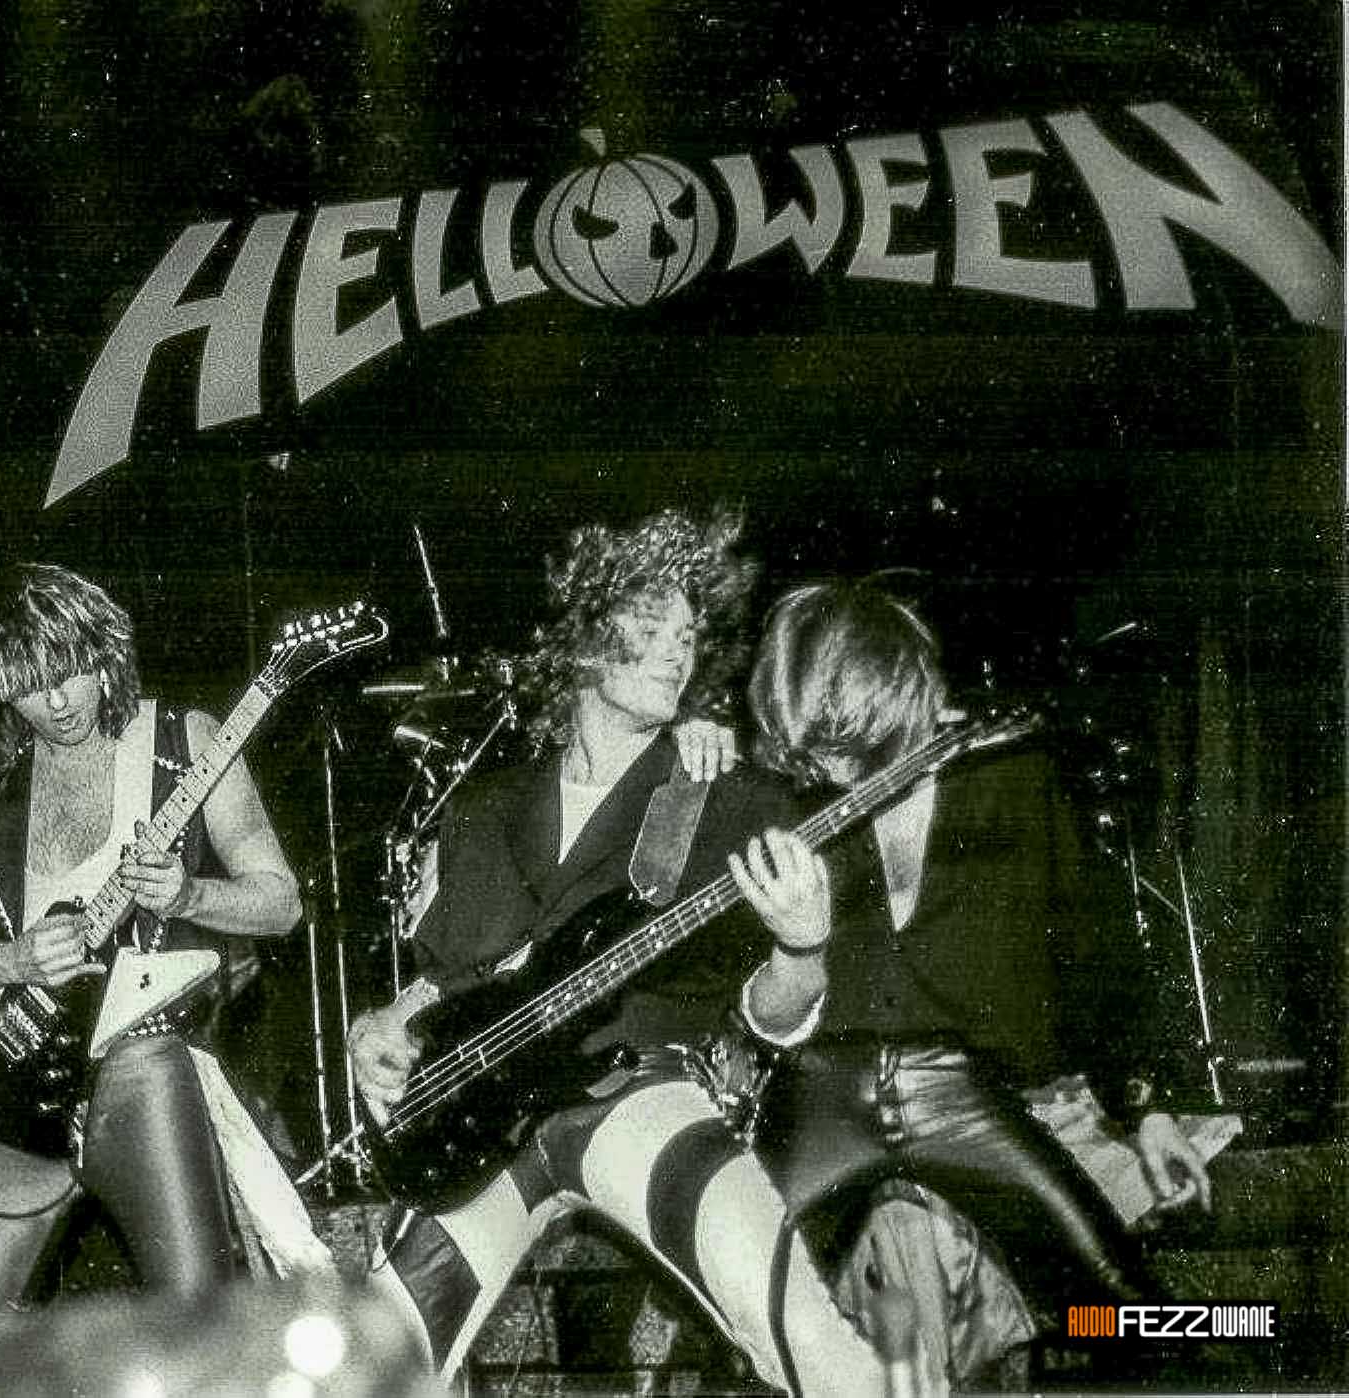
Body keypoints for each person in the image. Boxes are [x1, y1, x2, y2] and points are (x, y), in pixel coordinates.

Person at [346, 509, 891, 1395]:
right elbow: (451, 981)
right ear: (588, 636)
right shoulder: (485, 807)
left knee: (812, 1342)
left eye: (691, 633)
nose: (680, 648)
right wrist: (381, 1027)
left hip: (636, 1096)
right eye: (654, 623)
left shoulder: (729, 799)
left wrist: (805, 946)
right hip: (488, 1132)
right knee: (365, 1368)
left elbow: (772, 1016)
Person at [743, 580, 1210, 1382]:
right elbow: (753, 1008)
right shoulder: (786, 799)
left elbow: (1092, 952)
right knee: (740, 1311)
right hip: (821, 1095)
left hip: (965, 1091)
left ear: (897, 698)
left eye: (848, 748)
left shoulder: (1013, 775)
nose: (831, 771)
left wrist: (1150, 1106)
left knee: (1137, 1319)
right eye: (815, 752)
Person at [0, 563, 304, 1311]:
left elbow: (281, 904)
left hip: (144, 1060)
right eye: (28, 686)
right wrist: (11, 958)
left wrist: (190, 893)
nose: (56, 703)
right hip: (24, 1074)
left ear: (103, 652)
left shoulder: (187, 740)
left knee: (197, 1318)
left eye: (67, 673)